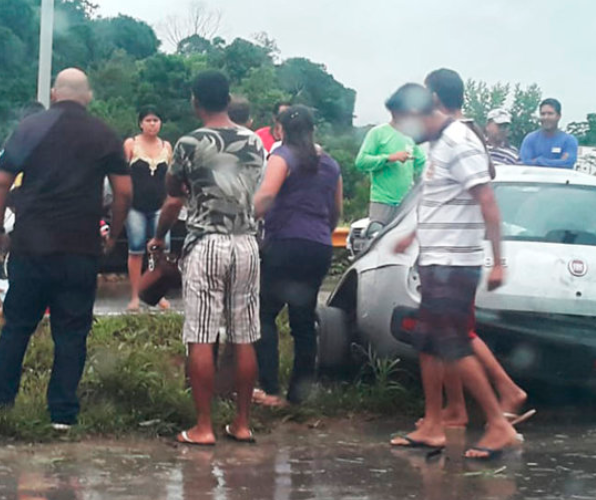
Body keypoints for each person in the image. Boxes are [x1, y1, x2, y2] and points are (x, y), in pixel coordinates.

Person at [0, 68, 132, 431]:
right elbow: (124, 192)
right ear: (88, 96)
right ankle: (62, 414)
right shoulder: (104, 134)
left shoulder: (29, 128)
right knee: (71, 333)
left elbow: (1, 182)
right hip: (79, 248)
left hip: (31, 247)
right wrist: (112, 235)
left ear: (54, 94)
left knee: (17, 327)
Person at [390, 83, 520, 460]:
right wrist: (413, 235)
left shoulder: (460, 141)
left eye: (404, 123)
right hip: (435, 261)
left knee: (452, 344)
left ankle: (498, 424)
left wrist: (498, 261)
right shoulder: (439, 145)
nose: (406, 134)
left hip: (455, 263)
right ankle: (433, 424)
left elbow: (487, 200)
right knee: (428, 343)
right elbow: (442, 202)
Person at [148, 70, 265, 445]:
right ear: (228, 100)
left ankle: (203, 427)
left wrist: (159, 237)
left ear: (195, 102)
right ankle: (242, 423)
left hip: (207, 243)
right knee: (245, 336)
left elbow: (173, 193)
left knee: (201, 335)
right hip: (246, 244)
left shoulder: (189, 143)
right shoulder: (254, 141)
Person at [424, 68, 529, 428]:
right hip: (448, 251)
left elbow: (486, 192)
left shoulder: (459, 134)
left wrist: (499, 261)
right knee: (450, 336)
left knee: (456, 336)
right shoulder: (459, 134)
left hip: (455, 255)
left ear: (434, 97)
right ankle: (456, 407)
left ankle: (506, 393)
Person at [253, 105, 343, 406]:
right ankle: (298, 396)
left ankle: (270, 390)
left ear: (280, 130)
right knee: (303, 321)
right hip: (319, 247)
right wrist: (321, 233)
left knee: (264, 314)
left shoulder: (283, 156)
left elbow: (267, 195)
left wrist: (245, 218)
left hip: (285, 243)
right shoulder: (330, 164)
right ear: (312, 129)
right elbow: (336, 210)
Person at [355, 85, 427, 225]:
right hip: (382, 201)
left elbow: (422, 164)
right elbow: (361, 161)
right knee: (378, 235)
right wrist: (389, 158)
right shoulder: (378, 133)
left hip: (406, 203)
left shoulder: (411, 136)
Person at [123, 106, 172, 312]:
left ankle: (158, 294)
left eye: (156, 120)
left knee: (162, 251)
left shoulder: (166, 146)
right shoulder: (131, 145)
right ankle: (135, 295)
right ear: (141, 123)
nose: (152, 124)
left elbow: (171, 176)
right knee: (136, 249)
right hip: (135, 206)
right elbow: (122, 174)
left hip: (160, 205)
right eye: (148, 120)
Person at [519, 98, 578, 168]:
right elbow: (525, 163)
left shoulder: (569, 140)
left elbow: (568, 163)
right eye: (543, 114)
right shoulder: (530, 139)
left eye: (550, 114)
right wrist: (558, 162)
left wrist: (538, 161)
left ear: (559, 116)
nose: (546, 117)